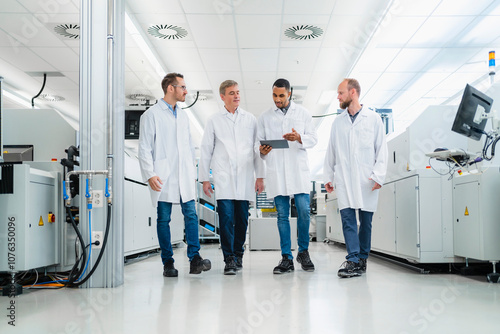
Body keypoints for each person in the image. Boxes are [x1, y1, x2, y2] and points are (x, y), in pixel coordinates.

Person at [138, 72, 211, 277]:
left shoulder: (184, 115)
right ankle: (168, 263)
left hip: (184, 176)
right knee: (164, 219)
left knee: (191, 215)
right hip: (162, 175)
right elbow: (144, 148)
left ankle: (194, 259)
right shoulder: (151, 115)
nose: (186, 91)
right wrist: (150, 174)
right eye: (183, 87)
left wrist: (192, 172)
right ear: (171, 88)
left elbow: (188, 147)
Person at [199, 80, 265, 275]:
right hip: (224, 178)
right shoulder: (214, 120)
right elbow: (206, 150)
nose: (236, 96)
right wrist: (204, 178)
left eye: (237, 92)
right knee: (226, 219)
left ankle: (238, 253)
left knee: (242, 219)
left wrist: (260, 176)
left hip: (244, 178)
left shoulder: (250, 119)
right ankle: (229, 258)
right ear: (222, 97)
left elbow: (256, 148)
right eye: (231, 93)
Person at [323, 78, 388, 278]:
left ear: (353, 93)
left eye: (341, 92)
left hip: (366, 178)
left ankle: (362, 259)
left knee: (366, 221)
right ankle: (352, 259)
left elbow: (381, 149)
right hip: (344, 178)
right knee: (348, 220)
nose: (338, 96)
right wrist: (329, 176)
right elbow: (331, 151)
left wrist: (379, 175)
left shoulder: (373, 118)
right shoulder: (338, 122)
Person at [257, 78, 317, 274]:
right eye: (274, 95)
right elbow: (259, 146)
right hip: (277, 171)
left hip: (297, 170)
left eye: (281, 96)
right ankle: (286, 258)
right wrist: (263, 151)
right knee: (282, 215)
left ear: (289, 94)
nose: (277, 99)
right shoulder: (264, 117)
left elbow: (313, 138)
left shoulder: (303, 113)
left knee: (304, 211)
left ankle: (304, 251)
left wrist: (299, 137)